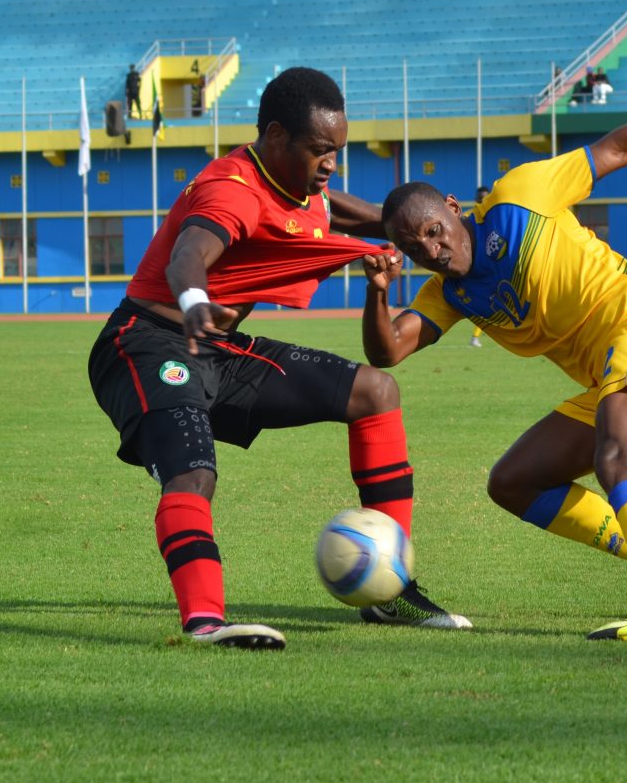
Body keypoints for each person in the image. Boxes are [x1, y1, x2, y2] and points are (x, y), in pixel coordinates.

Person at [362, 55, 627, 641]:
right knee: (514, 482)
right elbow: (389, 351)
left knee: (620, 461)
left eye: (434, 230)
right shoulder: (447, 295)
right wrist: (377, 295)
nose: (431, 248)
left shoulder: (519, 196)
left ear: (455, 209)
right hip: (615, 372)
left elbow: (620, 148)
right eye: (414, 247)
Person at [89, 67, 471, 651]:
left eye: (336, 150)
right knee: (193, 469)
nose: (330, 164)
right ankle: (204, 622)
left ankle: (389, 592)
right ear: (274, 138)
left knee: (376, 393)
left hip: (218, 349)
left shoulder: (299, 185)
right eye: (321, 150)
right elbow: (189, 253)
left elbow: (338, 210)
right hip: (146, 344)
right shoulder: (233, 190)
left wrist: (432, 222)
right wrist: (193, 301)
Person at [469, 185, 491, 347]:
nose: (481, 200)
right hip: (475, 268)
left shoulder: (494, 216)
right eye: (479, 197)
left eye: (484, 197)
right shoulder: (468, 216)